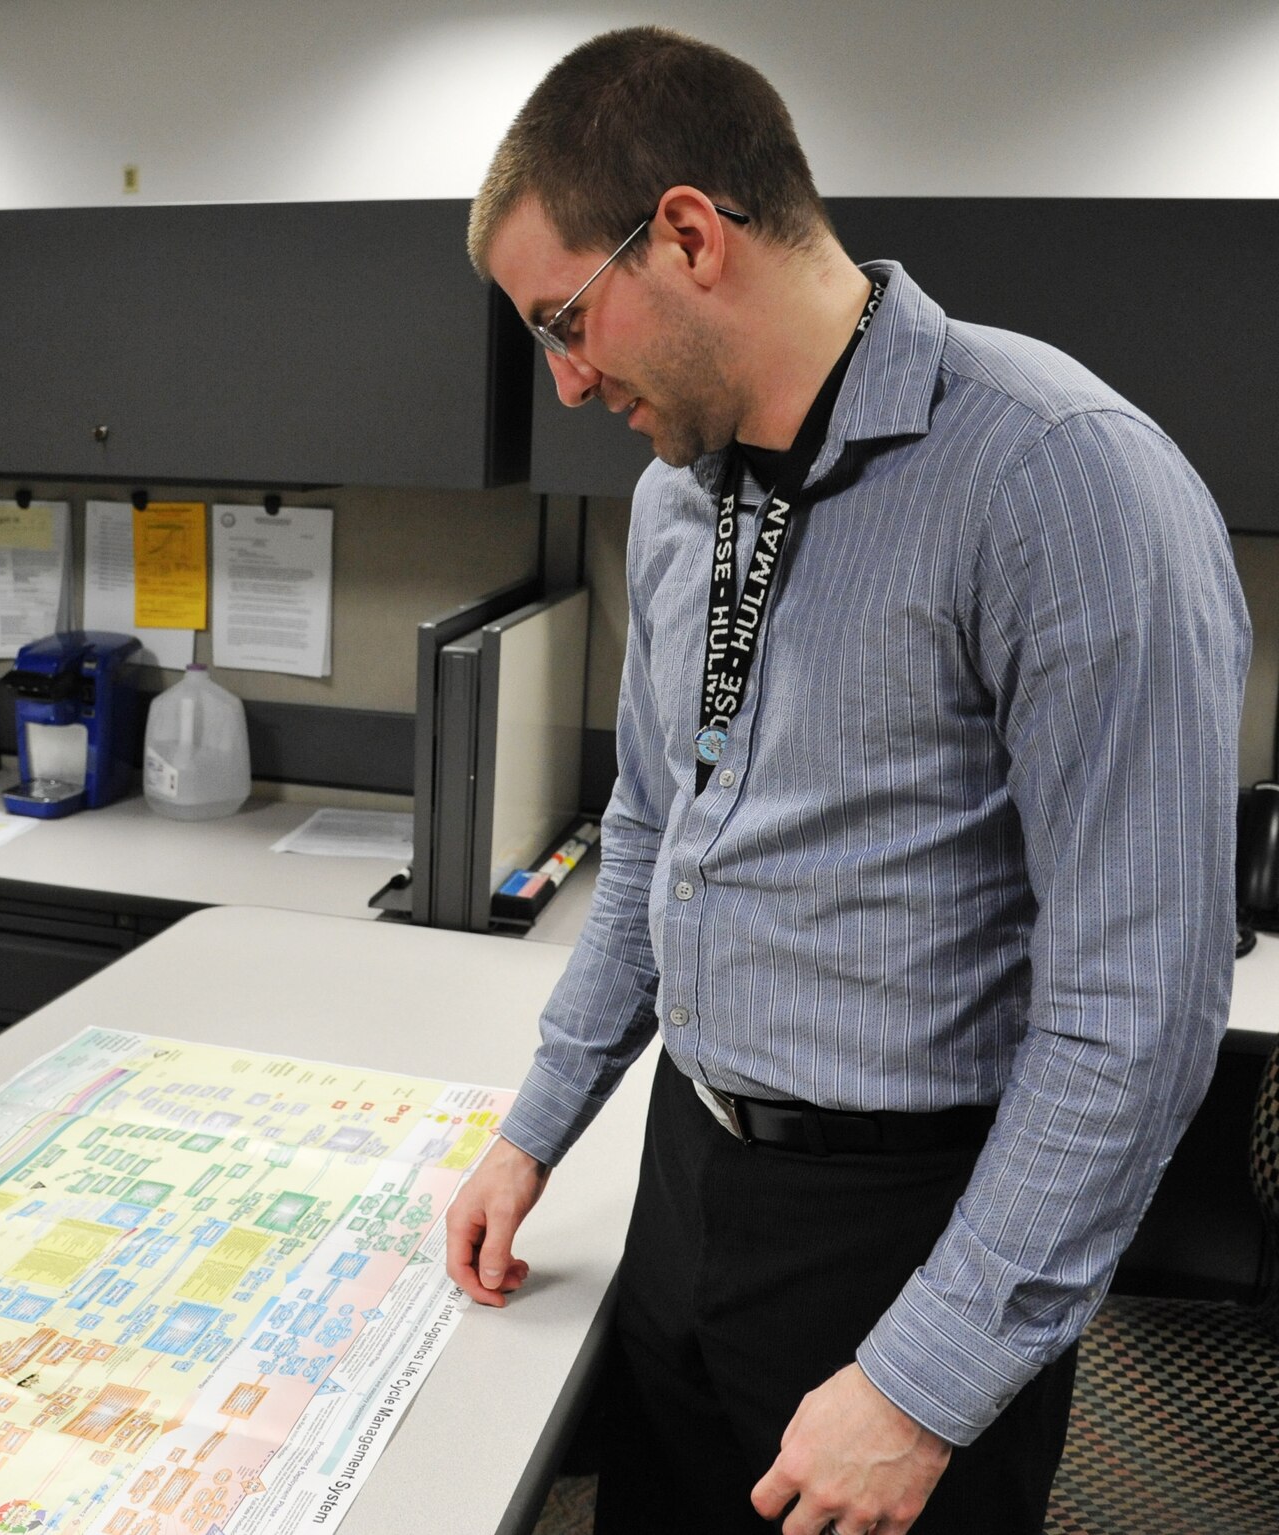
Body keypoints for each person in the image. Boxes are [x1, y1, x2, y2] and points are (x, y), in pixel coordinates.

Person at [444, 26, 1247, 1535]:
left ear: (686, 235)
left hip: (911, 1227)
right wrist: (537, 1124)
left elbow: (1132, 1016)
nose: (562, 383)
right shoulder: (681, 496)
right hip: (691, 1176)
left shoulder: (1059, 480)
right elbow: (654, 827)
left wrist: (925, 1381)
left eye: (567, 321)